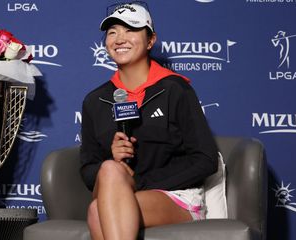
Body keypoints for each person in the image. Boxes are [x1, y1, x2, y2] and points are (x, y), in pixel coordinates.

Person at [80, 2, 218, 240]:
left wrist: (138, 182)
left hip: (175, 196)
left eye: (130, 30)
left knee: (97, 210)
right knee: (108, 170)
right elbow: (87, 170)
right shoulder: (95, 100)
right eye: (112, 32)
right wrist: (113, 160)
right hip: (115, 192)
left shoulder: (175, 89)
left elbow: (205, 160)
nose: (119, 38)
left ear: (151, 40)